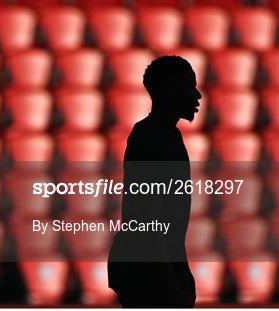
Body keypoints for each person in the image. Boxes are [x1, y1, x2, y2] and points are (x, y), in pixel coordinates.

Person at [107, 56, 201, 308]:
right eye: (189, 87)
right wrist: (171, 286)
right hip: (148, 274)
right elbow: (147, 223)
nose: (197, 95)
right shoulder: (150, 139)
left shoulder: (166, 136)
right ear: (170, 91)